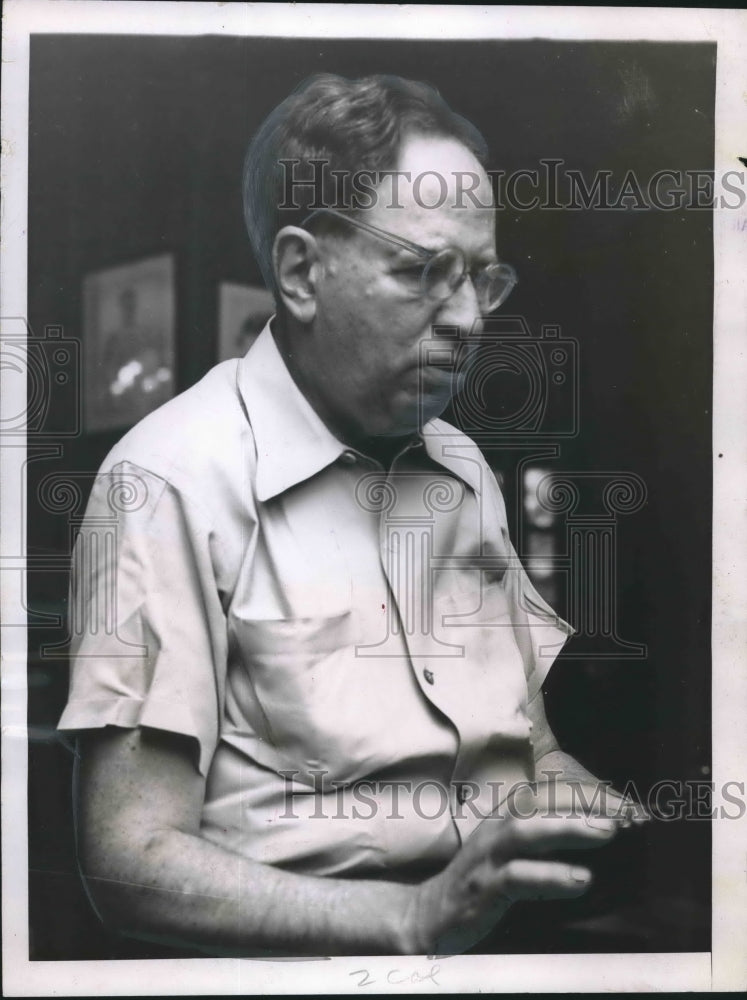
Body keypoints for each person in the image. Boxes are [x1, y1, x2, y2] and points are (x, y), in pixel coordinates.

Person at [58, 74, 636, 957]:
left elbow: (530, 750)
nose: (469, 320)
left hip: (495, 952)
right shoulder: (165, 480)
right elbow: (127, 861)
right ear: (300, 272)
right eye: (423, 273)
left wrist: (571, 799)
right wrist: (409, 918)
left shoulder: (460, 466)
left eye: (483, 279)